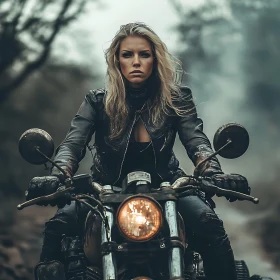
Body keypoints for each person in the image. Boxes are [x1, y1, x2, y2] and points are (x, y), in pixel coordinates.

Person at [26, 22, 250, 280]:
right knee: (58, 227)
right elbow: (72, 144)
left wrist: (213, 172)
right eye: (127, 54)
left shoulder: (177, 99)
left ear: (155, 59)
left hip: (168, 187)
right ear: (116, 60)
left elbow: (196, 140)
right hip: (103, 189)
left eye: (144, 54)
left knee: (208, 222)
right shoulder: (97, 102)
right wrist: (59, 174)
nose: (136, 62)